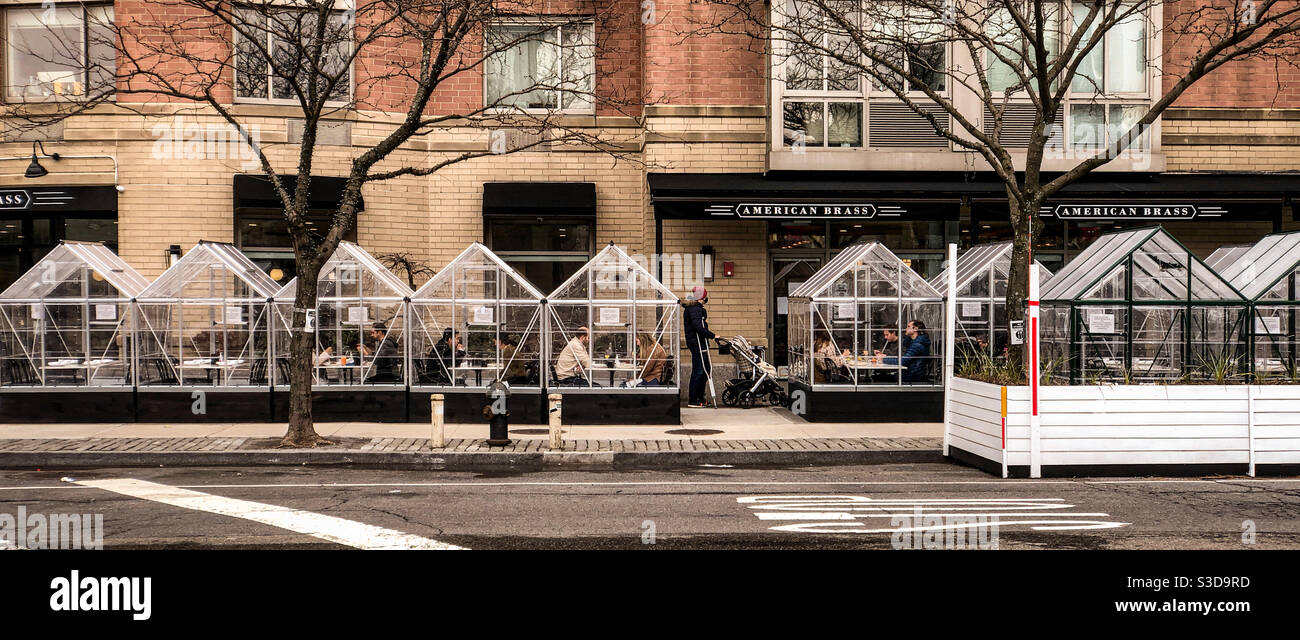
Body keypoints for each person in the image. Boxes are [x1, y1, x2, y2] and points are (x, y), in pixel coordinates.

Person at [682, 285, 715, 407]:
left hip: (697, 343)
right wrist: (712, 335)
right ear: (701, 298)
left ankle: (700, 397)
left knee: (704, 369)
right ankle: (694, 399)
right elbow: (698, 327)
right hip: (697, 343)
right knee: (700, 370)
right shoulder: (695, 309)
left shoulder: (693, 308)